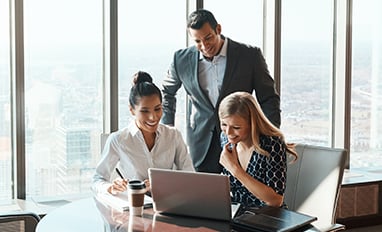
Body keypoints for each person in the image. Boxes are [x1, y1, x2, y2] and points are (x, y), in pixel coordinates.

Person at [161, 9, 280, 173]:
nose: (204, 45)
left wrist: (269, 137)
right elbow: (167, 92)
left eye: (208, 37)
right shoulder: (181, 59)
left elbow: (269, 98)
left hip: (242, 142)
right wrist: (167, 129)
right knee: (202, 195)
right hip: (201, 144)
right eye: (197, 41)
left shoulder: (249, 56)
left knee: (242, 193)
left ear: (218, 29)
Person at [92, 71, 194, 195]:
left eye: (157, 109)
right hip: (134, 205)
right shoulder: (118, 140)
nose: (153, 117)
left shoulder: (173, 136)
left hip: (169, 203)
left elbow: (190, 175)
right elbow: (98, 179)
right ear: (132, 110)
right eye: (145, 111)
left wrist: (163, 182)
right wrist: (110, 187)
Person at [218, 91, 297, 208]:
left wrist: (235, 170)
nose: (228, 132)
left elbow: (275, 201)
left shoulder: (272, 143)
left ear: (252, 124)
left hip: (267, 217)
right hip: (237, 214)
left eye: (236, 127)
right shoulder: (226, 139)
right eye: (224, 124)